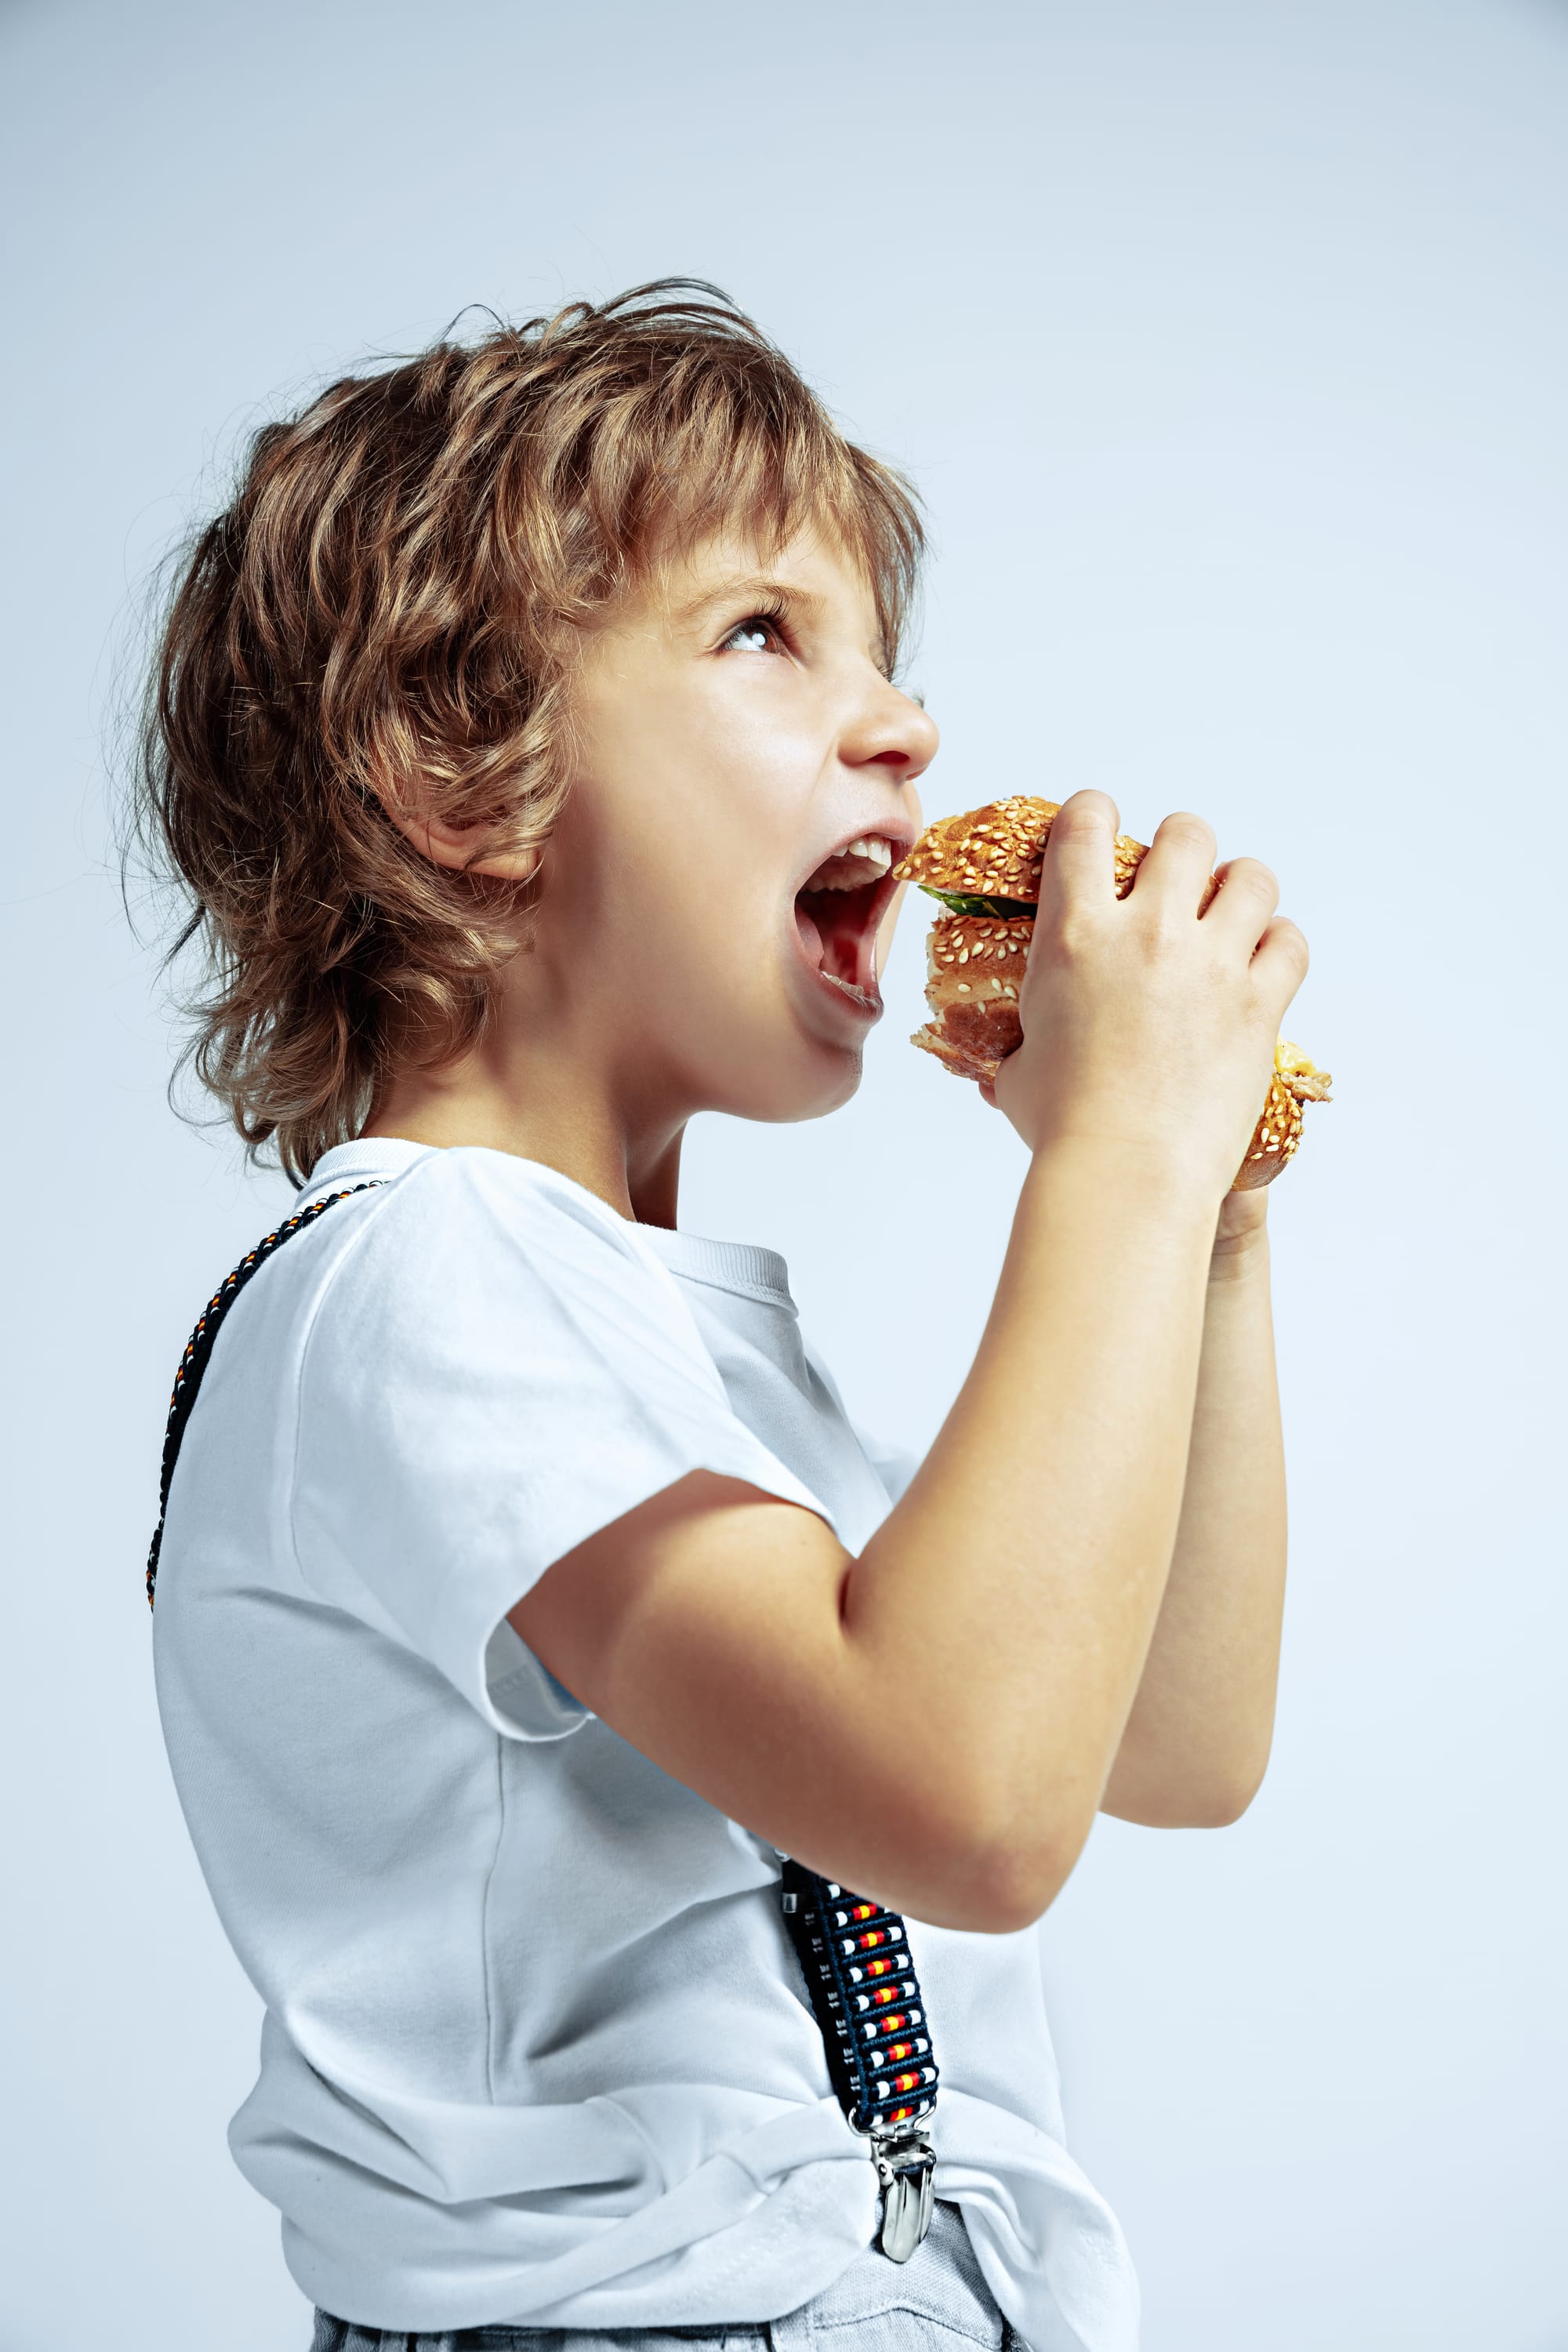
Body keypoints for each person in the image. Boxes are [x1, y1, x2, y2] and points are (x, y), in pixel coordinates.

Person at [138, 282, 1307, 2352]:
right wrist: (1113, 1153)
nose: (905, 726)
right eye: (766, 634)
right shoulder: (416, 1280)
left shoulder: (678, 1339)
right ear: (456, 775)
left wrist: (1194, 1215)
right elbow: (961, 1793)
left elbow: (1164, 1742)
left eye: (887, 651)